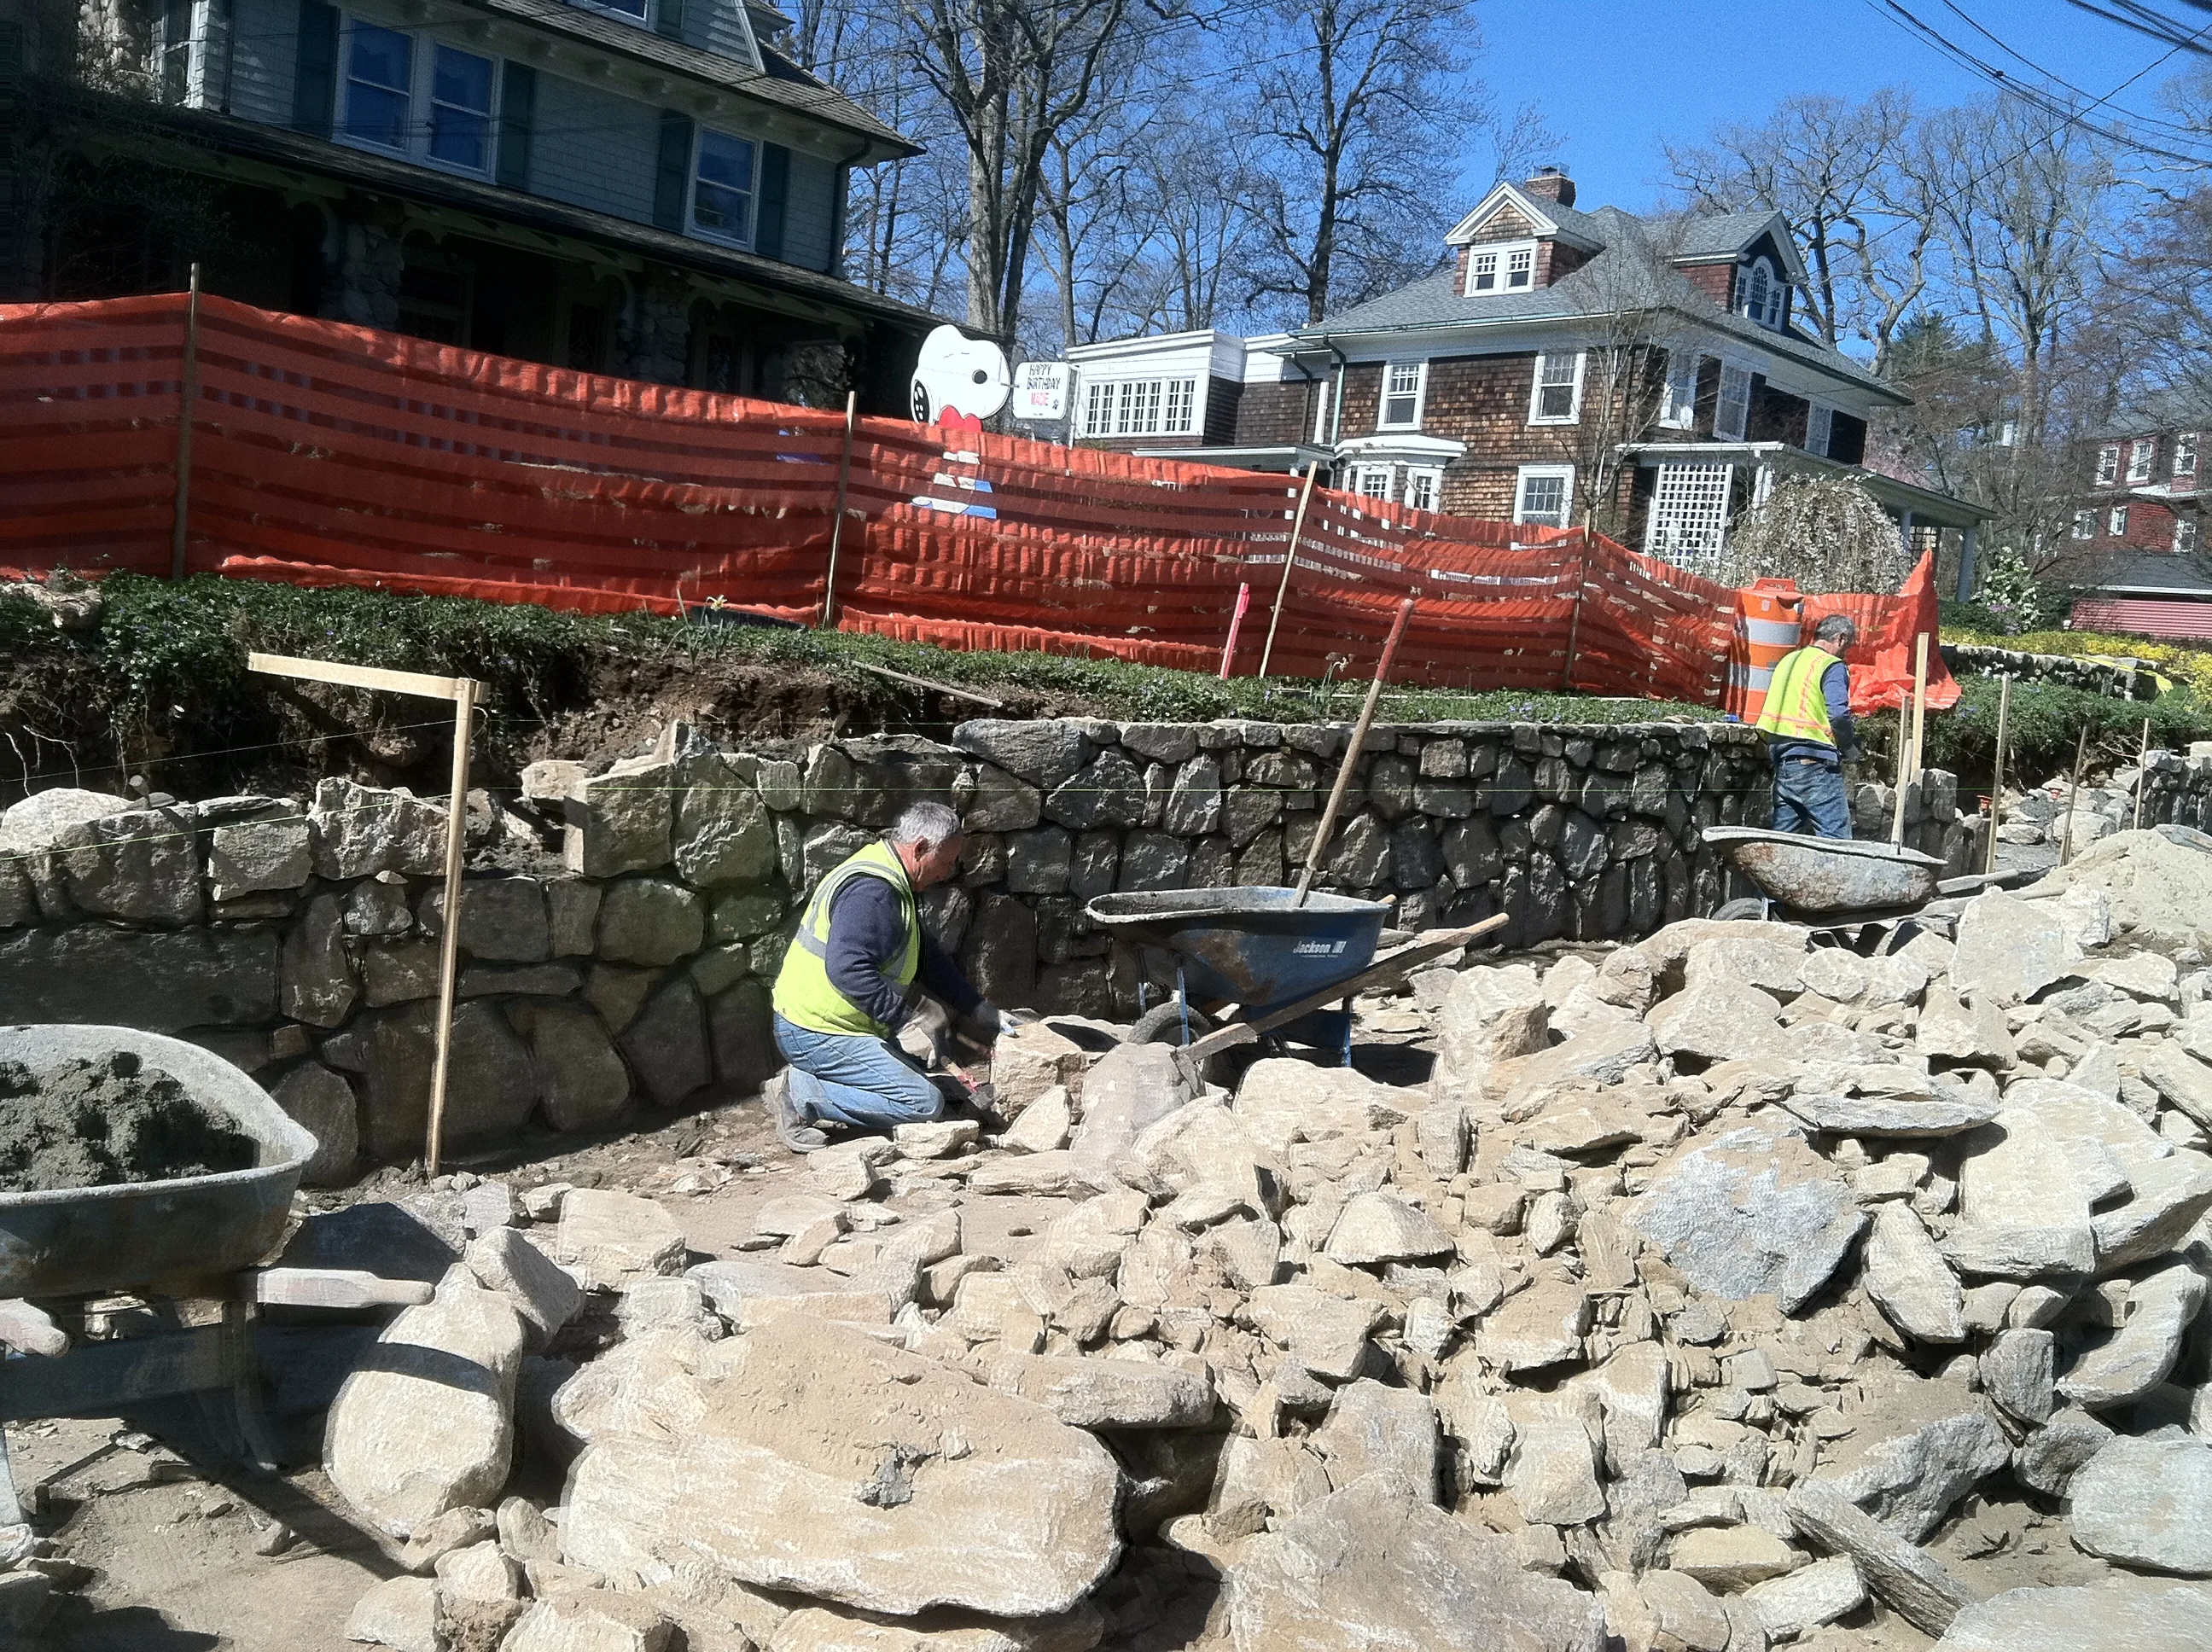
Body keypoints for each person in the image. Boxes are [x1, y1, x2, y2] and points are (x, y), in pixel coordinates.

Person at [766, 800, 1004, 1151]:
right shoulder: (874, 893)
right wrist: (906, 1021)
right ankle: (800, 1093)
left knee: (924, 1065)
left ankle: (818, 1080)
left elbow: (928, 957)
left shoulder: (893, 877)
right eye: (946, 861)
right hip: (814, 1030)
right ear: (920, 848)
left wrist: (982, 1011)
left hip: (839, 1024)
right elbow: (848, 969)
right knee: (923, 1104)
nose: (948, 872)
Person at [1755, 613, 1863, 839]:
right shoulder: (1831, 665)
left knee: (1783, 841)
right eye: (1848, 646)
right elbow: (1838, 715)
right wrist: (1848, 746)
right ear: (1841, 638)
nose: (1846, 653)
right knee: (1836, 841)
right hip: (1814, 762)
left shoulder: (1789, 660)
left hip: (1784, 761)